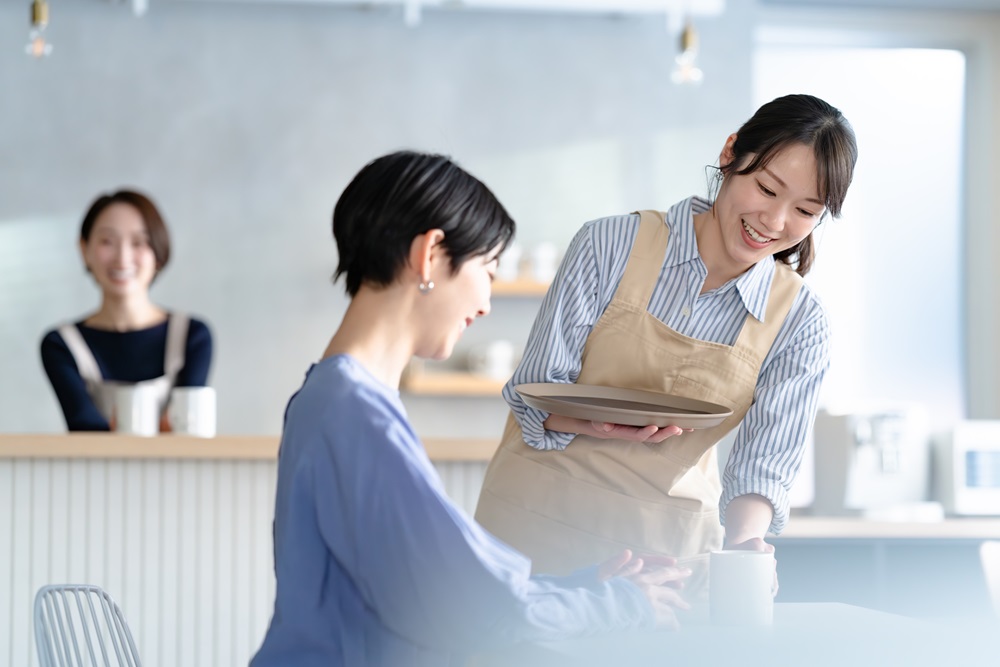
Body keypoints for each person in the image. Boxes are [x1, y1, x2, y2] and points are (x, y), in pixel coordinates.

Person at [249, 151, 692, 667]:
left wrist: (580, 587)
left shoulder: (328, 398)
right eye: (487, 269)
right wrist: (622, 604)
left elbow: (437, 586)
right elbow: (469, 611)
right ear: (431, 254)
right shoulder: (354, 413)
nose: (485, 303)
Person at [475, 94, 859, 607]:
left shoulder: (799, 321)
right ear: (730, 154)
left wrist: (748, 546)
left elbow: (763, 466)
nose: (775, 221)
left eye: (805, 211)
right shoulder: (609, 244)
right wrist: (596, 423)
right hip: (532, 532)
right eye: (767, 189)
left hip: (662, 564)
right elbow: (535, 393)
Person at [40, 189, 213, 431]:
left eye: (138, 242)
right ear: (84, 249)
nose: (122, 257)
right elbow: (85, 428)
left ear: (158, 253)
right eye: (107, 241)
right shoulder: (61, 344)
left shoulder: (192, 336)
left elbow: (188, 426)